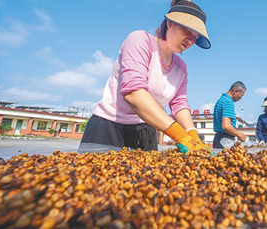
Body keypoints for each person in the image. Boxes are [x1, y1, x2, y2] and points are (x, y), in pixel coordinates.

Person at [79, 0, 212, 154]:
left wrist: (192, 134)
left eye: (196, 37)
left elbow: (179, 104)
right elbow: (134, 93)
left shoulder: (181, 68)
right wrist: (180, 135)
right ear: (170, 23)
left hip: (147, 133)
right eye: (187, 30)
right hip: (110, 127)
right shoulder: (140, 40)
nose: (190, 40)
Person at [212, 81, 247, 149]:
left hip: (218, 139)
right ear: (236, 91)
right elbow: (226, 126)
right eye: (241, 95)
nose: (240, 98)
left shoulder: (221, 100)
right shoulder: (228, 102)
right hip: (225, 140)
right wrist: (240, 135)